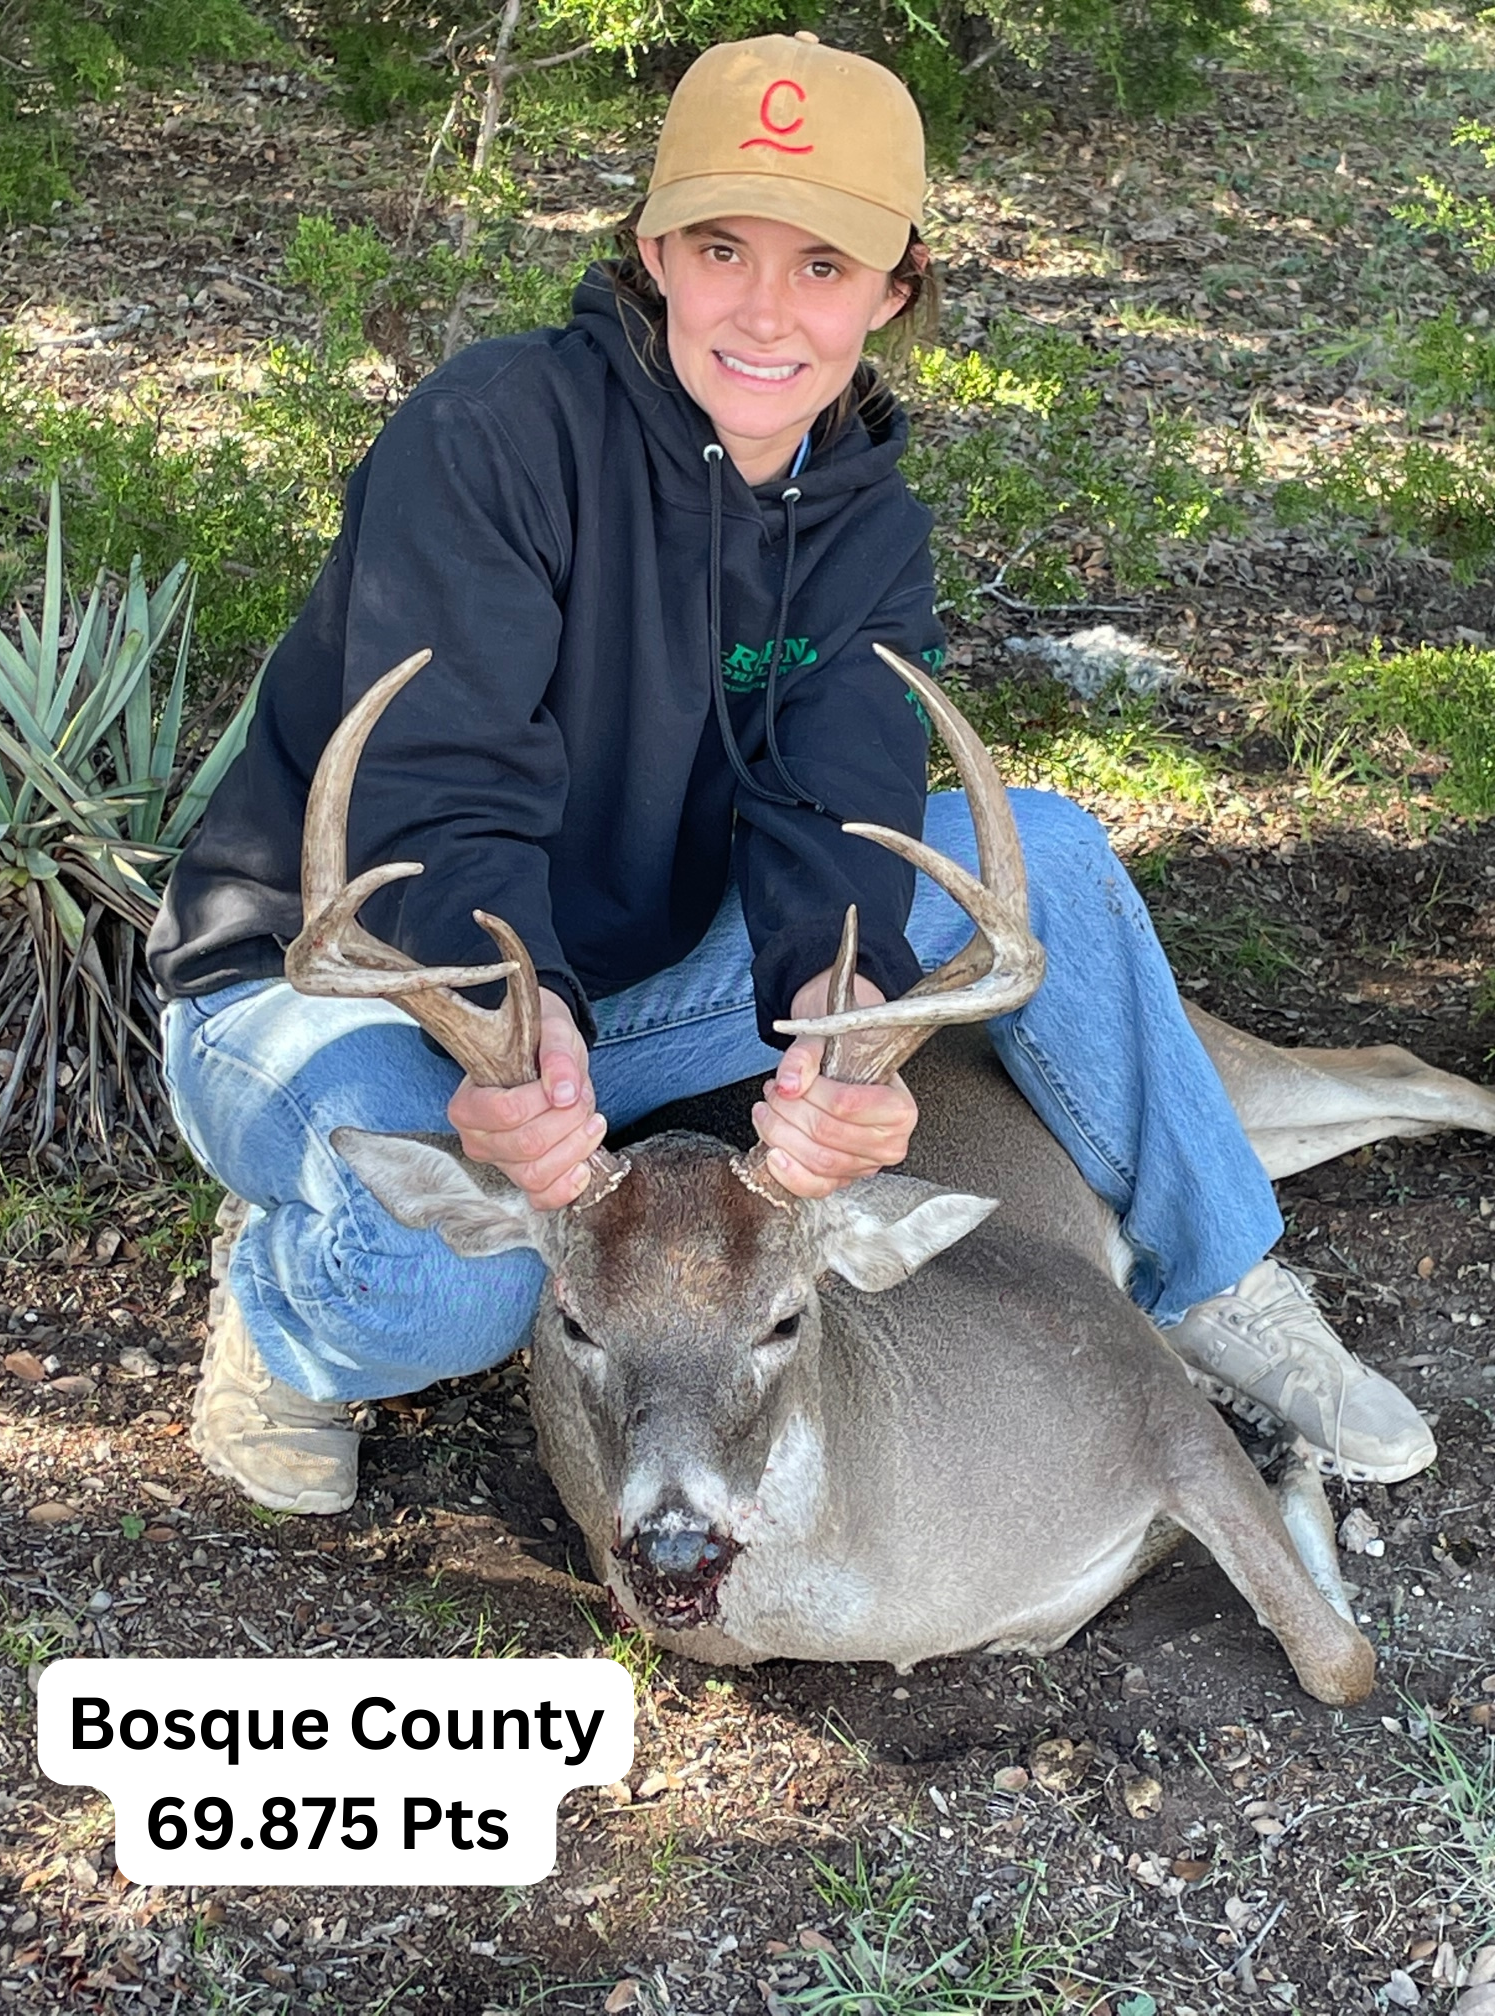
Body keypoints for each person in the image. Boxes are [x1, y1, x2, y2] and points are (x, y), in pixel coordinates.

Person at [148, 32, 1434, 1516]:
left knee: (1057, 855)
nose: (766, 312)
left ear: (895, 290)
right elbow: (439, 785)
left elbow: (846, 803)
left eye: (824, 267)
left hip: (610, 1003)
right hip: (349, 982)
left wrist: (843, 1016)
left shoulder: (862, 526)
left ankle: (1221, 1278)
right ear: (652, 252)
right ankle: (278, 1310)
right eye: (721, 248)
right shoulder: (495, 435)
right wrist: (522, 1023)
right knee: (447, 1301)